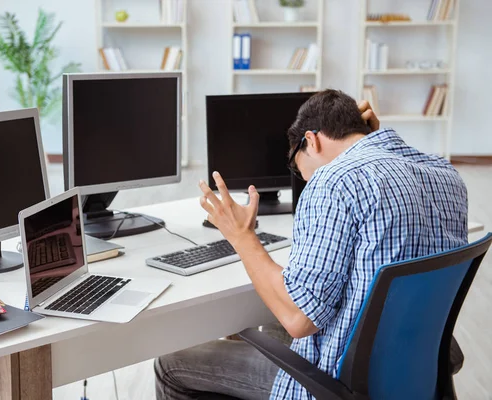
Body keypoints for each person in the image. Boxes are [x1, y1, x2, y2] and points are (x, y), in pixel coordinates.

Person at [154, 89, 468, 400]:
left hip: (339, 382)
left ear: (311, 140)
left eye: (297, 166)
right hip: (414, 367)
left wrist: (240, 235)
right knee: (267, 325)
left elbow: (298, 319)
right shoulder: (444, 173)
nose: (304, 179)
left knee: (170, 364)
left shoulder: (334, 180)